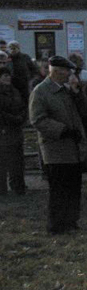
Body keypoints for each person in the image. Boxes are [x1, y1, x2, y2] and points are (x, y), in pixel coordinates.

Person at [29, 56, 87, 233]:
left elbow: (84, 111)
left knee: (73, 187)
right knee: (59, 189)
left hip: (73, 148)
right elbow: (38, 119)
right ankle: (57, 224)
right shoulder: (41, 92)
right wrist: (62, 130)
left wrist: (78, 93)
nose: (70, 75)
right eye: (67, 72)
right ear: (56, 72)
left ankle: (71, 221)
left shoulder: (67, 91)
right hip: (56, 149)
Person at [0, 66, 27, 195]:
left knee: (17, 160)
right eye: (4, 76)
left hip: (16, 128)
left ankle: (18, 186)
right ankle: (2, 188)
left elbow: (22, 106)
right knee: (3, 160)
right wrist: (14, 118)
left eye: (8, 75)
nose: (7, 78)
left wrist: (21, 117)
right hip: (4, 129)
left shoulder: (15, 91)